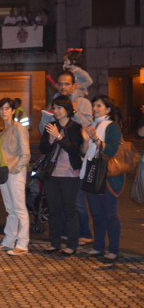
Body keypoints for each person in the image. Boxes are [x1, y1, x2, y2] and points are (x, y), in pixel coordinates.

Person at [39, 71, 93, 244]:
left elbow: (86, 127)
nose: (63, 87)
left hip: (72, 169)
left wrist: (72, 112)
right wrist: (50, 132)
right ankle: (60, 237)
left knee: (75, 205)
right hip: (52, 171)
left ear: (74, 85)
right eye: (60, 84)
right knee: (55, 208)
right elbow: (43, 143)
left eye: (67, 83)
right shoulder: (54, 107)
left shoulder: (82, 104)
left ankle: (81, 235)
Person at [79, 95, 124, 263]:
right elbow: (83, 153)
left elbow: (111, 151)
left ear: (108, 109)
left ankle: (113, 250)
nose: (95, 108)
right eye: (94, 105)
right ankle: (98, 247)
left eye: (99, 106)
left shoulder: (112, 127)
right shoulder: (92, 125)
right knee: (97, 214)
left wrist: (95, 139)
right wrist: (86, 141)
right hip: (93, 172)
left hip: (109, 176)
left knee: (110, 214)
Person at [39, 95, 84, 256]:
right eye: (54, 108)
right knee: (53, 210)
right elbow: (43, 149)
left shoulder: (75, 127)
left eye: (59, 108)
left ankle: (72, 245)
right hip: (52, 174)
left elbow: (74, 149)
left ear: (67, 109)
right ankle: (54, 243)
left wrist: (59, 137)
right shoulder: (51, 126)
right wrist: (51, 141)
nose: (56, 111)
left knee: (70, 210)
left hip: (70, 174)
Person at [0, 98, 31, 256]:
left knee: (19, 209)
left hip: (14, 173)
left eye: (7, 108)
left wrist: (16, 170)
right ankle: (8, 242)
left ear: (13, 111)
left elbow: (25, 153)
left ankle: (22, 244)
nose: (4, 111)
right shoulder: (4, 130)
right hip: (4, 172)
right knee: (10, 209)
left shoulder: (18, 128)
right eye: (1, 108)